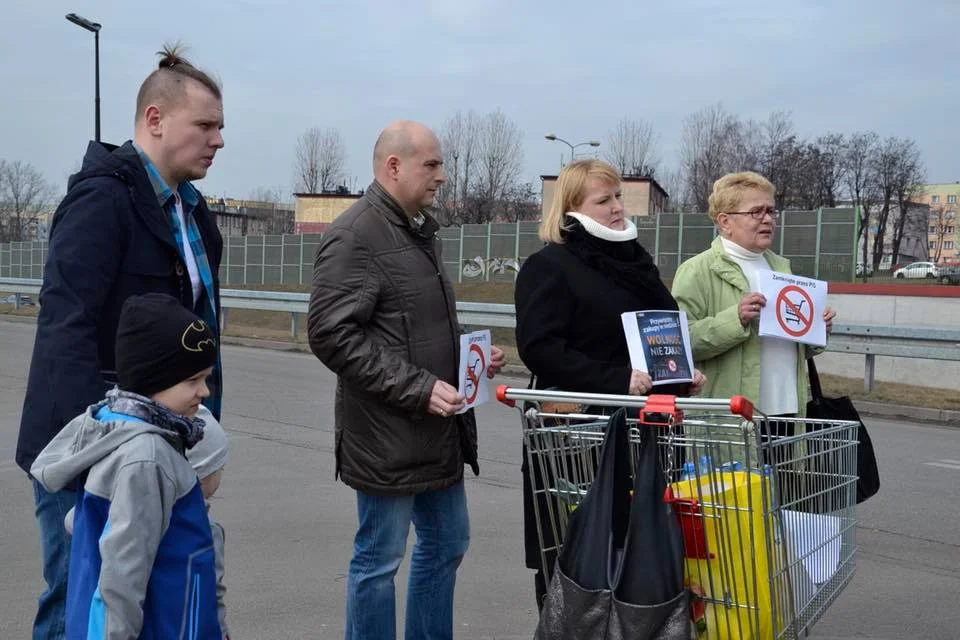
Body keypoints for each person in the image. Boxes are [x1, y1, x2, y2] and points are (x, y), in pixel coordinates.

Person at [16, 44, 225, 639]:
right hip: (97, 449)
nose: (218, 140)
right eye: (205, 125)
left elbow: (197, 338)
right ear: (155, 119)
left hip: (165, 446)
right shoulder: (102, 199)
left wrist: (200, 432)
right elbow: (67, 327)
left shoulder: (194, 214)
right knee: (79, 600)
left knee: (147, 601)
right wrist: (100, 450)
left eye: (220, 128)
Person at [307, 120, 505, 640]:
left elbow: (412, 323)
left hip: (437, 428)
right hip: (386, 436)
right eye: (432, 165)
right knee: (379, 560)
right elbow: (331, 335)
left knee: (447, 543)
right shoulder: (355, 235)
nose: (443, 175)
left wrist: (470, 355)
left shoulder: (418, 231)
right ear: (394, 166)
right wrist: (418, 387)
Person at [513, 159, 706, 608]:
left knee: (647, 563)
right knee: (577, 561)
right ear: (573, 207)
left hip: (648, 433)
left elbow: (658, 334)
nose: (618, 207)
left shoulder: (636, 264)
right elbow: (540, 348)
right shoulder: (550, 266)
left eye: (618, 196)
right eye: (604, 200)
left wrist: (680, 375)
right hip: (580, 438)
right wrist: (617, 380)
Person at [30, 293, 224, 638]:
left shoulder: (120, 430)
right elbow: (121, 577)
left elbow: (87, 522)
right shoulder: (146, 458)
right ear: (153, 379)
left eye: (206, 378)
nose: (204, 391)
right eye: (193, 380)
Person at [670, 171, 836, 470]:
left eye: (771, 210)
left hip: (787, 411)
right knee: (738, 499)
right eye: (756, 212)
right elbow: (681, 343)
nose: (768, 219)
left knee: (779, 497)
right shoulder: (696, 271)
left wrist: (816, 330)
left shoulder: (782, 268)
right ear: (724, 221)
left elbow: (792, 345)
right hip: (734, 415)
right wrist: (734, 319)